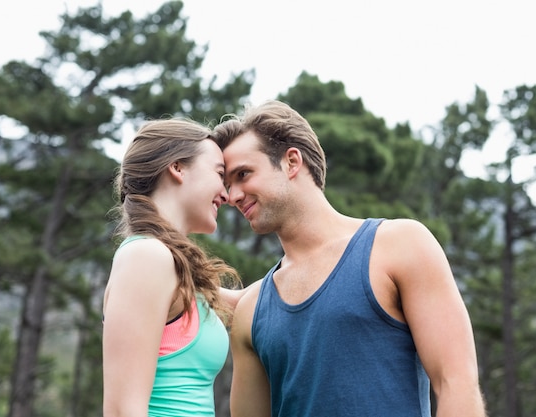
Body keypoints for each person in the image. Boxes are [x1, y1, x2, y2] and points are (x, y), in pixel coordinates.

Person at [212, 100, 488, 417]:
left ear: (291, 162)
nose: (232, 196)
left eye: (243, 174)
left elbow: (456, 384)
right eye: (227, 185)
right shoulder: (251, 310)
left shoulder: (400, 246)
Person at [102, 118, 246, 417]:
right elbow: (121, 411)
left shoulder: (172, 269)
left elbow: (261, 299)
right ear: (178, 167)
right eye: (220, 175)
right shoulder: (146, 257)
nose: (227, 194)